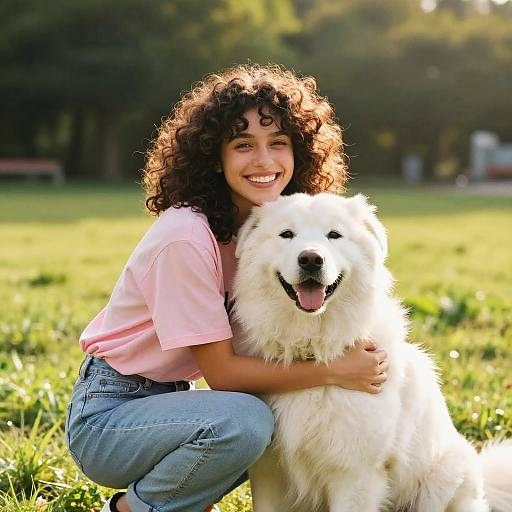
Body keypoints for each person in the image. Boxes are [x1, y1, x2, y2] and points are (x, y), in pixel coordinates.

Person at [65, 64, 389, 512]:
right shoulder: (185, 235)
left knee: (267, 417)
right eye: (243, 146)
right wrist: (336, 370)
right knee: (247, 420)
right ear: (214, 158)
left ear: (300, 154)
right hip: (112, 413)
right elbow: (224, 375)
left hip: (175, 400)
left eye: (278, 143)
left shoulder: (265, 233)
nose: (264, 161)